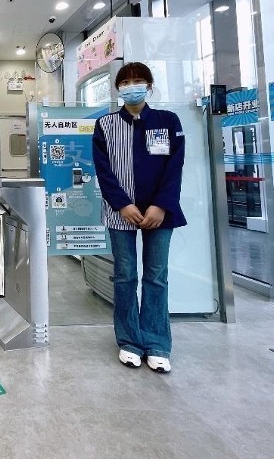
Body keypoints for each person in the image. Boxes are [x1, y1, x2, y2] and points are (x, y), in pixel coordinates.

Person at [91, 62, 186, 373]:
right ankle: (130, 341)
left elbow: (175, 167)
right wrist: (122, 204)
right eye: (126, 82)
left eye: (138, 81)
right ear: (118, 89)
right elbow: (103, 171)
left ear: (149, 85)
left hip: (161, 211)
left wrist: (160, 205)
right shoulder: (105, 125)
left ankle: (157, 343)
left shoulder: (167, 121)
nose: (132, 86)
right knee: (125, 275)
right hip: (121, 212)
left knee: (156, 276)